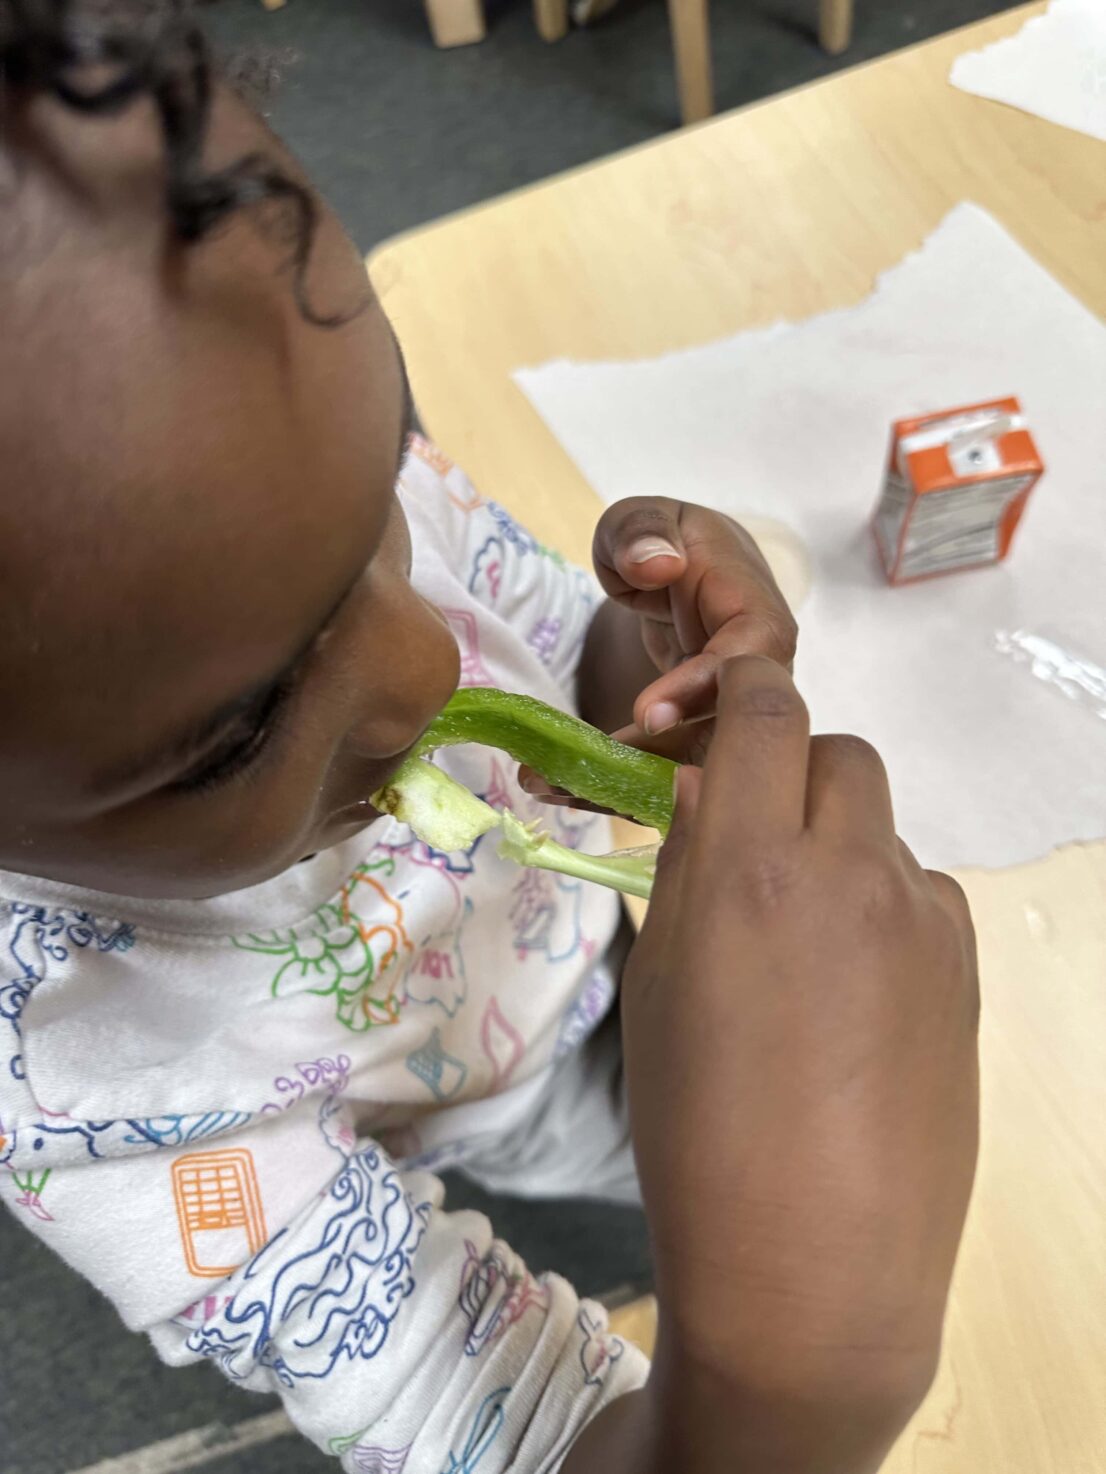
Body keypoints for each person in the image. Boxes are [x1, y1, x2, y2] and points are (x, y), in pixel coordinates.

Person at [0, 5, 979, 1471]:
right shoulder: (88, 1083)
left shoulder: (253, 497)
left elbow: (511, 613)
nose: (424, 663)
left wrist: (628, 661)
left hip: (597, 961)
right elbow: (474, 1413)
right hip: (490, 1105)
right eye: (236, 735)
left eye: (377, 480)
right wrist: (785, 1379)